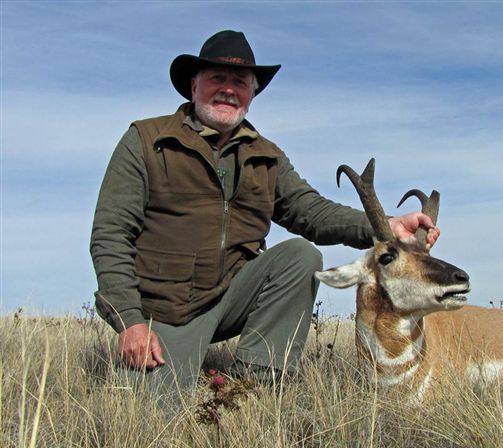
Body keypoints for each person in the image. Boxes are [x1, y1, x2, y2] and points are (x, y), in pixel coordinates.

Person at [90, 30, 439, 392]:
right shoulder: (147, 141)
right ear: (194, 85)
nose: (228, 89)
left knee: (300, 256)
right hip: (166, 311)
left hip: (231, 297)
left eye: (240, 82)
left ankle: (256, 384)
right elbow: (111, 234)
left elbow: (311, 211)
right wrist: (129, 320)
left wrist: (385, 226)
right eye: (217, 78)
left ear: (252, 93)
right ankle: (172, 366)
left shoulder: (266, 155)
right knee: (157, 420)